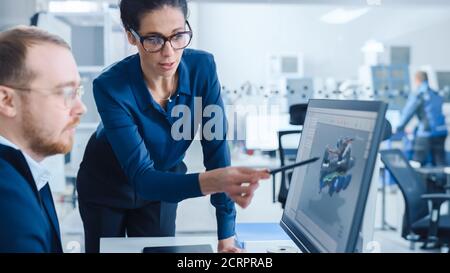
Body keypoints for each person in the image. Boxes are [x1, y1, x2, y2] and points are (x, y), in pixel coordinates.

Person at [76, 0, 269, 253]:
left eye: (178, 36)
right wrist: (211, 182)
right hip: (106, 186)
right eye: (154, 39)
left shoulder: (203, 69)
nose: (169, 53)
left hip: (165, 183)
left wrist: (226, 236)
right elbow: (142, 178)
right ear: (131, 36)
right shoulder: (110, 86)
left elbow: (217, 150)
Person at [0, 26, 86, 252]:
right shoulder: (8, 205)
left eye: (78, 92)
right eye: (65, 93)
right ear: (7, 101)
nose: (81, 108)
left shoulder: (25, 174)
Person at [397, 71, 448, 166]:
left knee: (417, 162)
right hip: (441, 131)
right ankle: (441, 180)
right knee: (440, 162)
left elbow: (408, 112)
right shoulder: (436, 93)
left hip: (427, 133)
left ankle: (417, 180)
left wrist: (398, 128)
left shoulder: (419, 95)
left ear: (417, 80)